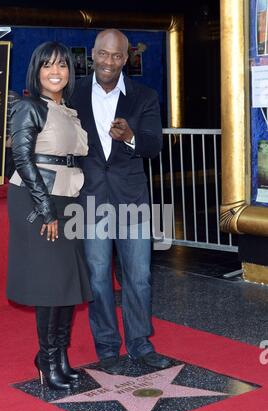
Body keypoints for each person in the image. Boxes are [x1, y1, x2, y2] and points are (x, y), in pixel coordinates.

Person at [70, 29, 170, 374]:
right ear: (92, 55)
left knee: (139, 277)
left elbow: (154, 146)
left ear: (126, 59)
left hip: (133, 200)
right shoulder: (74, 93)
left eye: (116, 56)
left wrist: (129, 137)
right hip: (90, 199)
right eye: (102, 54)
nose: (108, 62)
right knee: (98, 278)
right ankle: (108, 346)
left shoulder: (144, 95)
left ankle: (141, 344)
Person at [7, 42, 92, 390]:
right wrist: (44, 208)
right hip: (36, 199)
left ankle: (58, 357)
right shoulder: (29, 107)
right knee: (49, 283)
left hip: (66, 199)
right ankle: (46, 357)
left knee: (66, 283)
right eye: (48, 66)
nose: (56, 72)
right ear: (37, 71)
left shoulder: (68, 110)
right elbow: (23, 159)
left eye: (62, 66)